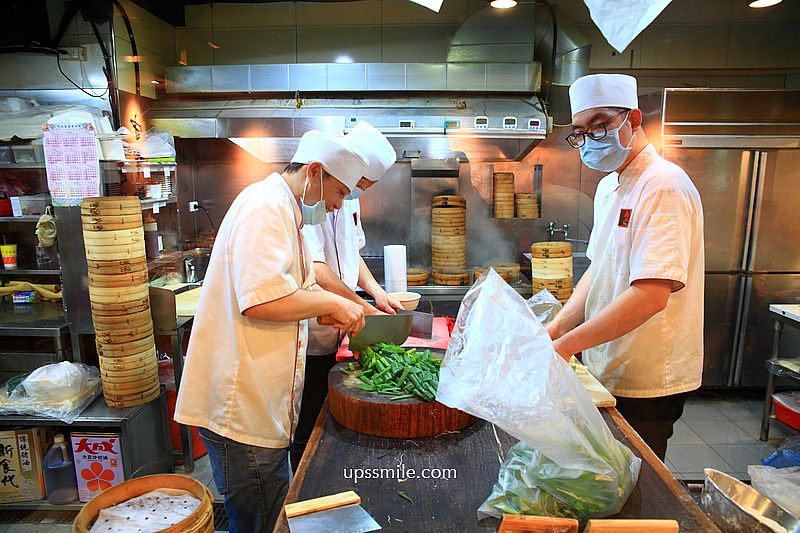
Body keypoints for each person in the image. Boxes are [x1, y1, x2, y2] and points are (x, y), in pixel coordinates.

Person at [174, 130, 368, 533]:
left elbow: (290, 289)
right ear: (314, 172)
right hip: (240, 408)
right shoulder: (264, 206)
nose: (337, 207)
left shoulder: (286, 211)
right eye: (339, 192)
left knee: (266, 514)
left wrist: (324, 307)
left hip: (258, 404)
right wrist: (332, 303)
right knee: (263, 522)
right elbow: (260, 301)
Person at [545, 74, 705, 461]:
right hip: (609, 362)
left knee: (637, 481)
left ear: (633, 120)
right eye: (580, 132)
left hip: (647, 375)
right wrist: (554, 329)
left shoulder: (662, 185)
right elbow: (599, 269)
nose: (590, 139)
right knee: (603, 473)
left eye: (600, 124)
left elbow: (651, 295)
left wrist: (566, 346)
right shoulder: (609, 186)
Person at [290, 121, 400, 470]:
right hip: (314, 333)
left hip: (344, 322)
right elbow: (317, 270)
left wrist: (377, 294)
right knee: (310, 424)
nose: (361, 190)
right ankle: (308, 478)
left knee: (339, 419)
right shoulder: (316, 200)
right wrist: (359, 305)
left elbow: (354, 256)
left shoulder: (345, 200)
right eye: (361, 183)